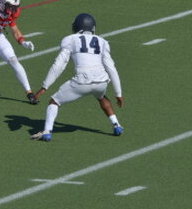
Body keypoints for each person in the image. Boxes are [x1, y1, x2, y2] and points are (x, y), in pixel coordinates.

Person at [31, 13, 123, 142]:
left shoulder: (70, 39)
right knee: (101, 97)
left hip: (82, 81)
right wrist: (118, 93)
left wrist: (44, 87)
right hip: (101, 81)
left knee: (54, 102)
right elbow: (111, 68)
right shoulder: (102, 42)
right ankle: (116, 125)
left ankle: (47, 131)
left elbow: (59, 65)